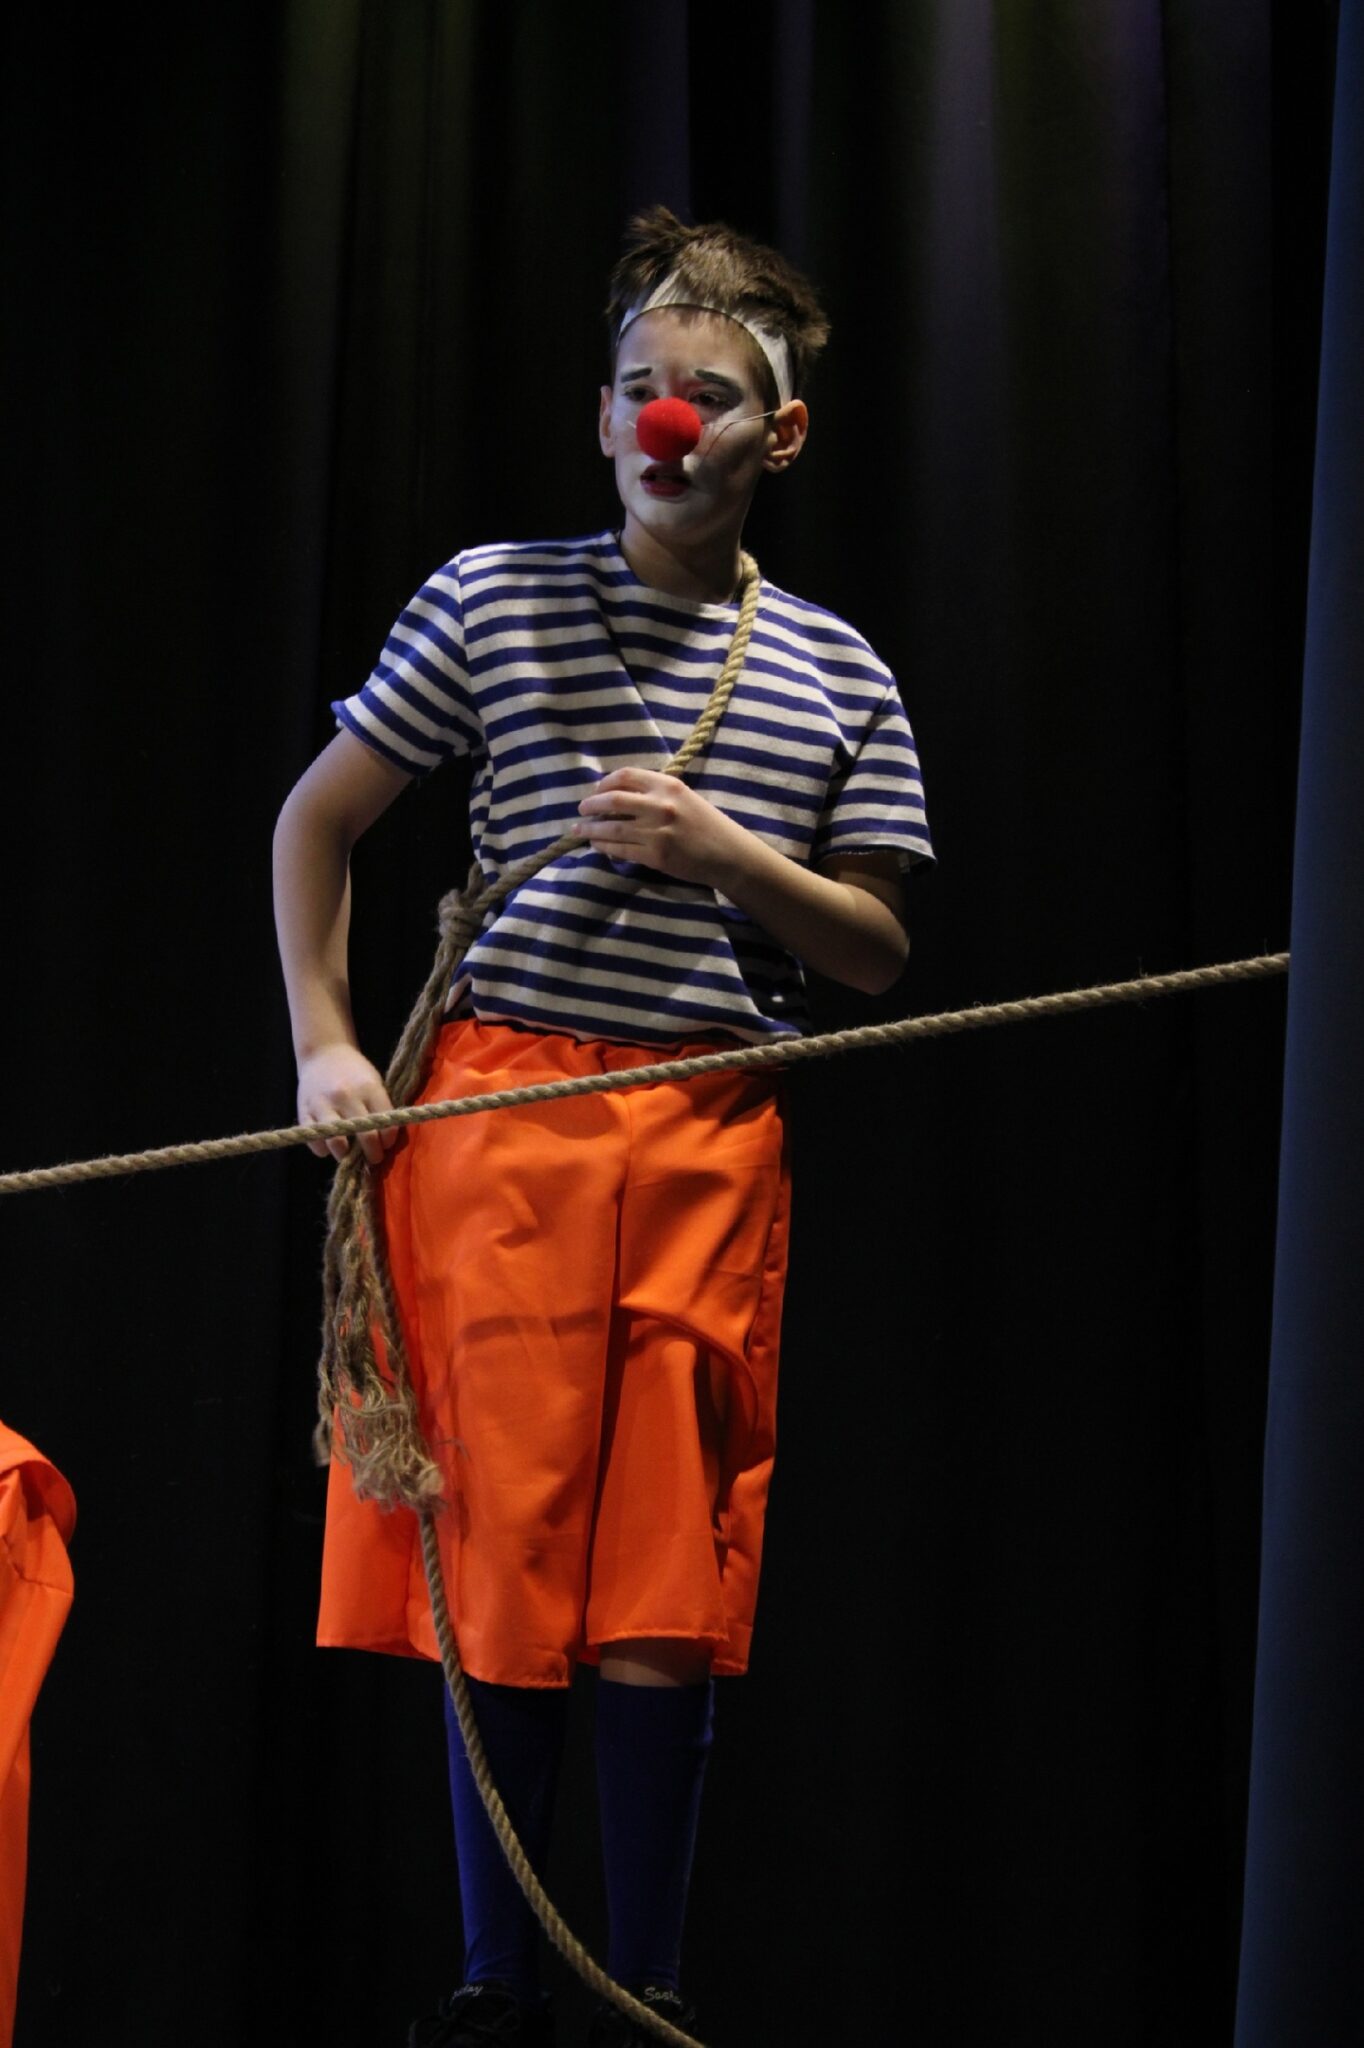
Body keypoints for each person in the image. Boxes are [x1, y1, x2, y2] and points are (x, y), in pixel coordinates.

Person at [272, 204, 934, 2048]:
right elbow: (318, 819)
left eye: (706, 394)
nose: (666, 421)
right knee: (502, 1550)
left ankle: (642, 1988)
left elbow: (876, 947)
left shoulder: (840, 673)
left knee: (660, 1577)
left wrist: (727, 855)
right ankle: (495, 1989)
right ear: (600, 412)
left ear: (777, 434)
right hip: (507, 1115)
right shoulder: (494, 599)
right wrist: (327, 1045)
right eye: (641, 385)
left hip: (710, 1132)